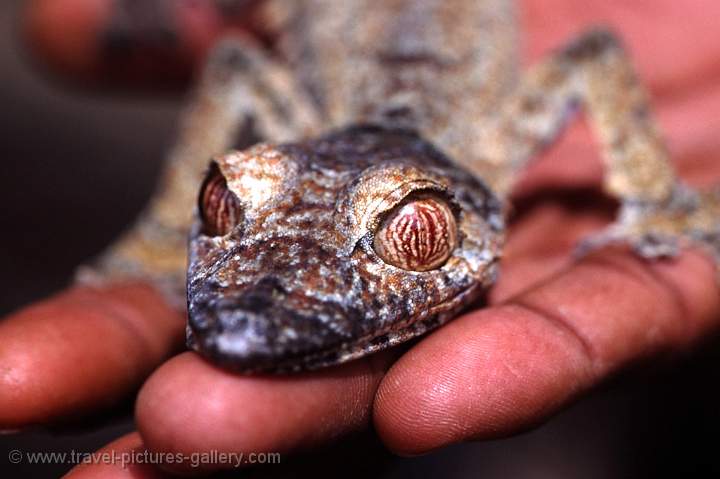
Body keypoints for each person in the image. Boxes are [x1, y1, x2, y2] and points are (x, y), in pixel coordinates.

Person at [4, 0, 720, 476]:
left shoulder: (497, 139)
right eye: (226, 207)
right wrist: (167, 229)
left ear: (479, 216)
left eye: (416, 232)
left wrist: (651, 193)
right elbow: (233, 66)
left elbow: (594, 53)